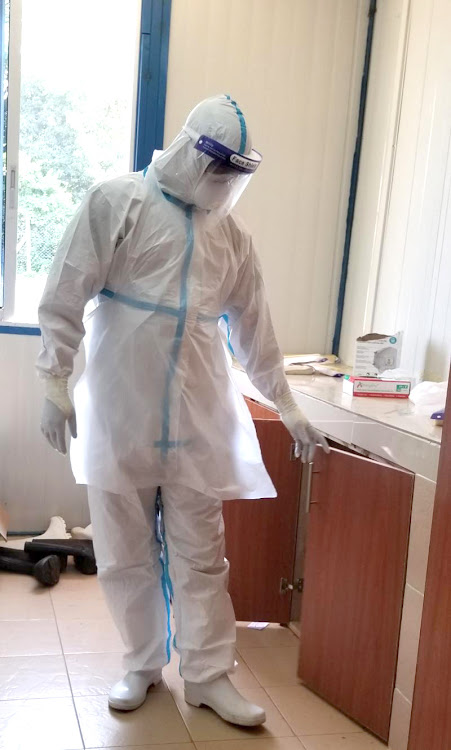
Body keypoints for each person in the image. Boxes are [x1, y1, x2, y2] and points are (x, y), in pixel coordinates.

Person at [37, 94, 329, 726]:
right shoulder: (118, 204)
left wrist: (287, 403)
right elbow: (64, 291)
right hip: (122, 409)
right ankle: (141, 663)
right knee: (123, 547)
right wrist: (55, 379)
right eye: (218, 170)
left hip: (197, 417)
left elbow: (256, 330)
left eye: (235, 175)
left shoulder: (231, 236)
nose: (224, 185)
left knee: (203, 553)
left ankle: (207, 676)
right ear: (190, 152)